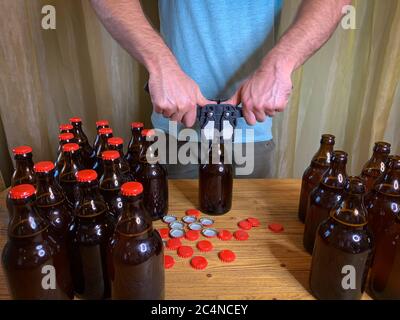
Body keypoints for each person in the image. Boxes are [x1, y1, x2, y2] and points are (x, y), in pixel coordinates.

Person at [91, 0, 351, 178]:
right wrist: (160, 66)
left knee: (253, 248)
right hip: (176, 134)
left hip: (252, 135)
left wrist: (279, 65)